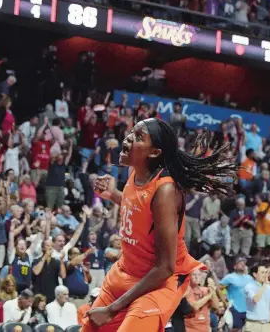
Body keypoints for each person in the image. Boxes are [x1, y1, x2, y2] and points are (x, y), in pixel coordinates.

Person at [82, 118, 236, 331]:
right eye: (131, 132)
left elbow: (165, 267)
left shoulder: (166, 190)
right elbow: (140, 208)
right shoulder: (135, 171)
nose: (127, 140)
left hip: (160, 282)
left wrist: (112, 309)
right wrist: (113, 194)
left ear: (154, 152)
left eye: (137, 137)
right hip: (125, 271)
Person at [244, 264, 270, 332]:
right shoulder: (249, 287)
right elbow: (255, 299)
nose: (265, 275)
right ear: (255, 274)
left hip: (266, 325)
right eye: (262, 272)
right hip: (253, 325)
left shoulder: (268, 287)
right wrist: (264, 284)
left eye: (266, 272)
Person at [219, 257, 253, 330]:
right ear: (235, 266)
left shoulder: (250, 278)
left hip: (248, 310)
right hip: (235, 309)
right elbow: (218, 288)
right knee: (236, 329)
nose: (243, 264)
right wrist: (224, 300)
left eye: (244, 263)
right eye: (240, 263)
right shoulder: (229, 277)